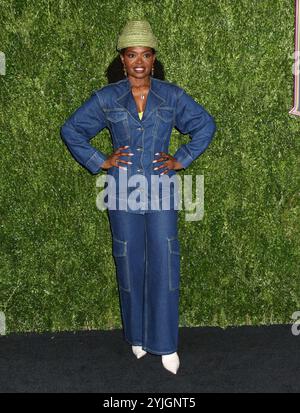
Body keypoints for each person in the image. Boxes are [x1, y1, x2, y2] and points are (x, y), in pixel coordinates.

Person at [60, 20, 217, 375]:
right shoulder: (106, 98)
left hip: (161, 188)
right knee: (129, 260)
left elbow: (204, 125)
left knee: (164, 260)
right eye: (132, 55)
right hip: (121, 189)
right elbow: (72, 129)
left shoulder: (172, 95)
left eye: (145, 54)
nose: (139, 62)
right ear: (122, 59)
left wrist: (181, 159)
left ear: (154, 57)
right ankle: (137, 337)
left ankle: (165, 345)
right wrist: (101, 160)